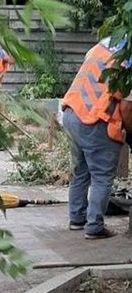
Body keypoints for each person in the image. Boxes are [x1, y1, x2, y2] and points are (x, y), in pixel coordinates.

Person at [61, 36, 132, 239]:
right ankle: (94, 227)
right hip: (95, 120)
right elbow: (127, 107)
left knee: (80, 171)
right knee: (102, 176)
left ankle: (76, 218)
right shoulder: (129, 61)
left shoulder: (106, 43)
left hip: (72, 111)